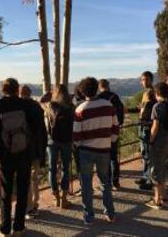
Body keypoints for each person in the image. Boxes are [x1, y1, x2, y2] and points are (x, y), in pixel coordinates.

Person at [0, 78, 39, 237]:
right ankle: (19, 227)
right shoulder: (25, 105)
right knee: (23, 189)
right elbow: (34, 129)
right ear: (17, 89)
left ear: (3, 89)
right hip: (24, 153)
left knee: (6, 191)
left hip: (6, 155)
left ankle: (5, 229)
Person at [73, 77, 118, 225]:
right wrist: (109, 141)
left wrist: (81, 144)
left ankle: (89, 216)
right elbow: (115, 128)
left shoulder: (80, 109)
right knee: (105, 182)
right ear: (96, 88)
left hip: (86, 151)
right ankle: (110, 213)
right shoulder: (109, 105)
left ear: (82, 91)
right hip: (104, 149)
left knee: (86, 184)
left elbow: (77, 136)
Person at [44, 85, 75, 208]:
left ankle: (55, 197)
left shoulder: (50, 106)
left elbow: (46, 122)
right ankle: (64, 199)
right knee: (65, 168)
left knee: (52, 169)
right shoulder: (71, 107)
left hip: (52, 141)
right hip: (67, 141)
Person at [19, 85, 48, 218]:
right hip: (35, 148)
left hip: (21, 148)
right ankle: (35, 204)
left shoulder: (16, 106)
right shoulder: (36, 107)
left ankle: (28, 207)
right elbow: (43, 130)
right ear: (30, 93)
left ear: (19, 93)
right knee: (34, 177)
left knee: (24, 178)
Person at [145, 82, 168, 210]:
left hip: (158, 142)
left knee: (155, 170)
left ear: (157, 93)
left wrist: (150, 141)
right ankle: (164, 196)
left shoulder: (157, 107)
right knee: (162, 167)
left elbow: (155, 126)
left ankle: (157, 200)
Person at [98, 79, 125, 190]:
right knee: (114, 157)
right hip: (113, 131)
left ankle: (106, 182)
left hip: (102, 132)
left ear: (100, 87)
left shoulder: (98, 98)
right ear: (108, 86)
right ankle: (116, 182)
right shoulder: (115, 97)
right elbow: (121, 112)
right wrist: (118, 125)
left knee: (104, 158)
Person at [134, 71, 157, 190]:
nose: (144, 82)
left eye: (146, 79)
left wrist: (141, 114)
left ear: (151, 80)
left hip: (146, 126)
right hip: (144, 125)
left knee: (147, 153)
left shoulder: (151, 93)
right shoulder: (146, 93)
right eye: (143, 79)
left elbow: (147, 109)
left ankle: (149, 180)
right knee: (144, 153)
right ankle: (145, 176)